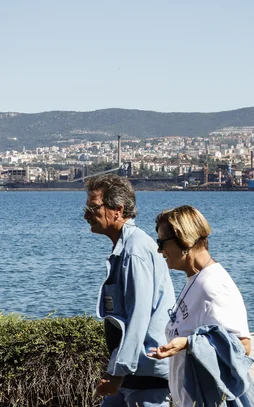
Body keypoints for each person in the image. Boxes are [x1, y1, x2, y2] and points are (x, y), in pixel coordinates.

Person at [148, 205, 254, 407]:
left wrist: (188, 343)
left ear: (184, 240)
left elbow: (243, 346)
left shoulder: (213, 286)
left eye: (162, 242)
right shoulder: (195, 278)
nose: (159, 250)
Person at [83, 174, 175, 407]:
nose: (86, 214)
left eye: (94, 207)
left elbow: (138, 316)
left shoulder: (135, 251)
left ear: (118, 210)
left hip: (145, 374)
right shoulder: (126, 247)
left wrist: (118, 373)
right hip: (131, 373)